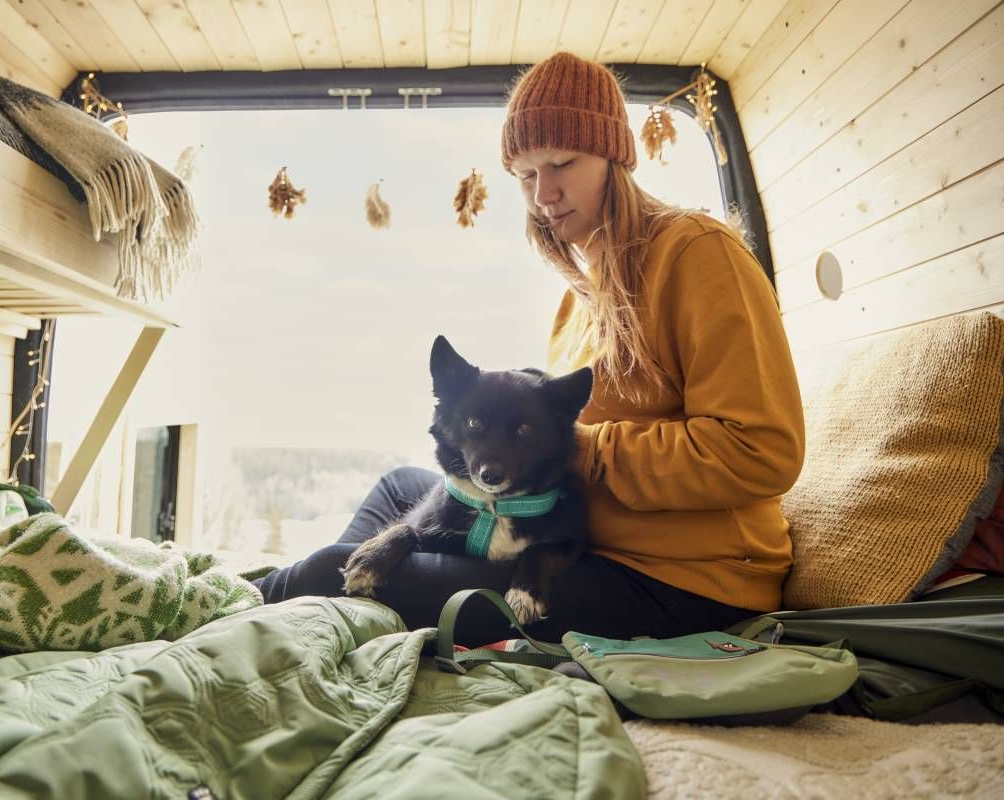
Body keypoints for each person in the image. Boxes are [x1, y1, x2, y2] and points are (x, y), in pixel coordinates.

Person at [255, 52, 805, 646]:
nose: (544, 194)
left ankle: (256, 604)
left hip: (682, 582)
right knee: (398, 489)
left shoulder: (698, 254)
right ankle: (326, 618)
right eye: (524, 175)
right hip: (569, 533)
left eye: (562, 163)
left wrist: (580, 449)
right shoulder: (579, 297)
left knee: (324, 568)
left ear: (614, 157)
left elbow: (761, 450)